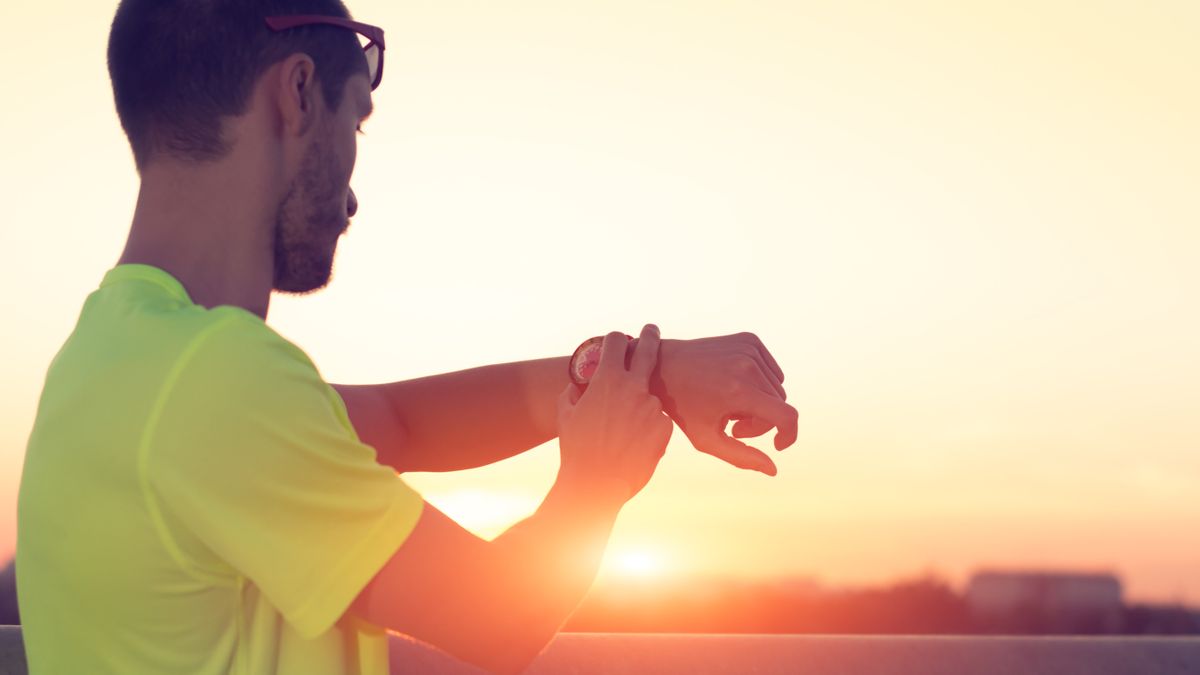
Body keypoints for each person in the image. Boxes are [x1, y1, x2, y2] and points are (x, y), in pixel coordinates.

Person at [15, 1, 799, 674]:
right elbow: (500, 616)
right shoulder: (216, 378)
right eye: (355, 119)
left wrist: (644, 374)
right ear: (295, 92)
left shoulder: (109, 358)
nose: (353, 194)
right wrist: (596, 485)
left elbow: (398, 423)